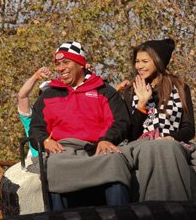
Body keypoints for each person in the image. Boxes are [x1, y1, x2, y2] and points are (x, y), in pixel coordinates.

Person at [29, 41, 132, 210]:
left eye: (66, 62)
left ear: (81, 64)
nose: (60, 68)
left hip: (98, 149)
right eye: (57, 64)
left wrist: (107, 140)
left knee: (114, 161)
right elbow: (36, 129)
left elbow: (120, 122)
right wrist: (46, 142)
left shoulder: (104, 91)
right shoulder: (48, 95)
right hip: (64, 151)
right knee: (53, 165)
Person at [119, 38, 196, 201]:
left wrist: (172, 138)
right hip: (142, 145)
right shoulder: (130, 91)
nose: (139, 66)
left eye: (145, 61)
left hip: (172, 143)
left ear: (158, 62)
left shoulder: (179, 87)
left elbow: (188, 127)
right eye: (137, 61)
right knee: (154, 148)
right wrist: (142, 105)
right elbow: (131, 135)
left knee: (165, 147)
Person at [18, 67, 52, 156]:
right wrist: (37, 76)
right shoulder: (32, 117)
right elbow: (22, 96)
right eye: (44, 94)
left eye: (52, 94)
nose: (47, 98)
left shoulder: (65, 113)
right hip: (39, 164)